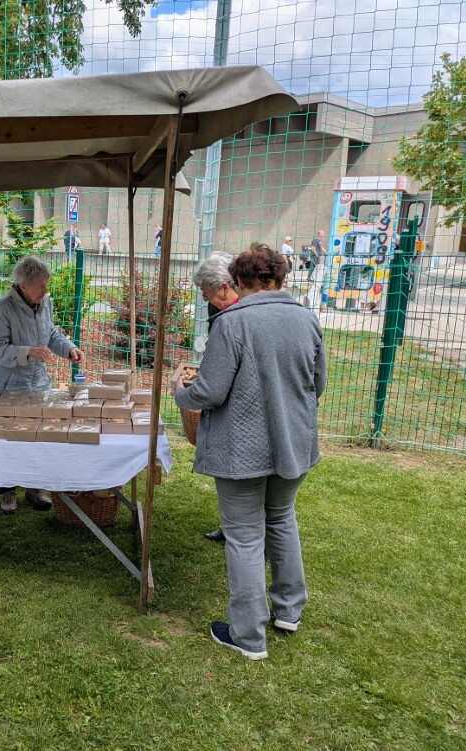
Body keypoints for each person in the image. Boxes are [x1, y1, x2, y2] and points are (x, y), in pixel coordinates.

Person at [171, 244, 326, 661]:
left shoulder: (232, 323)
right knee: (281, 519)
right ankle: (289, 611)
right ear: (278, 278)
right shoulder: (307, 319)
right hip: (295, 444)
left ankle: (248, 636)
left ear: (238, 281)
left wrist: (179, 392)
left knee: (243, 536)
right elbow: (318, 384)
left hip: (242, 451)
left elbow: (209, 391)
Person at [0, 256, 84, 514]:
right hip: (7, 385)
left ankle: (35, 487)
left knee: (37, 436)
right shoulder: (3, 309)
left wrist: (68, 348)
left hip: (37, 382)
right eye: (41, 285)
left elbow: (50, 334)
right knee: (8, 439)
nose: (45, 290)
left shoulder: (44, 303)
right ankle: (7, 490)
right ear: (24, 286)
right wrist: (27, 351)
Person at [192, 252, 240, 545]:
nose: (205, 299)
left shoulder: (244, 311)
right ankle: (231, 523)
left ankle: (241, 532)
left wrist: (187, 394)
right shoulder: (217, 309)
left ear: (224, 286)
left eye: (207, 292)